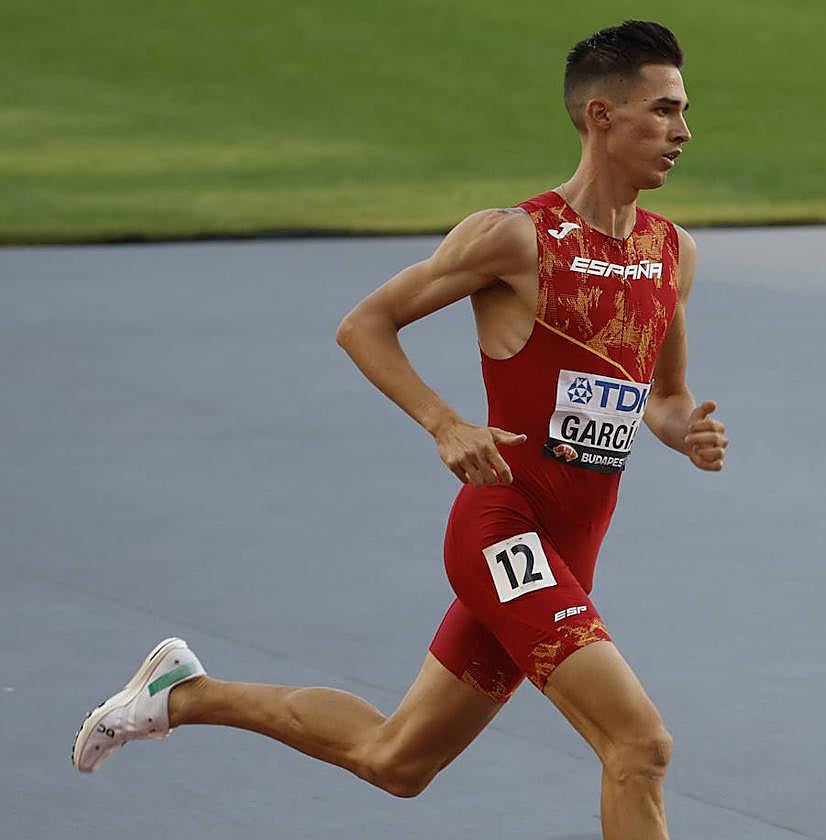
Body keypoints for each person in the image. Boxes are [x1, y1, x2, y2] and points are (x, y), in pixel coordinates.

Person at [72, 20, 727, 840]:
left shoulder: (673, 254)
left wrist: (683, 431)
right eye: (664, 111)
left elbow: (664, 396)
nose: (683, 132)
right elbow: (366, 323)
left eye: (683, 111)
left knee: (396, 761)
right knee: (640, 744)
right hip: (502, 529)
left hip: (571, 547)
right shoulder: (514, 237)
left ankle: (181, 695)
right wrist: (445, 422)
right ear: (600, 116)